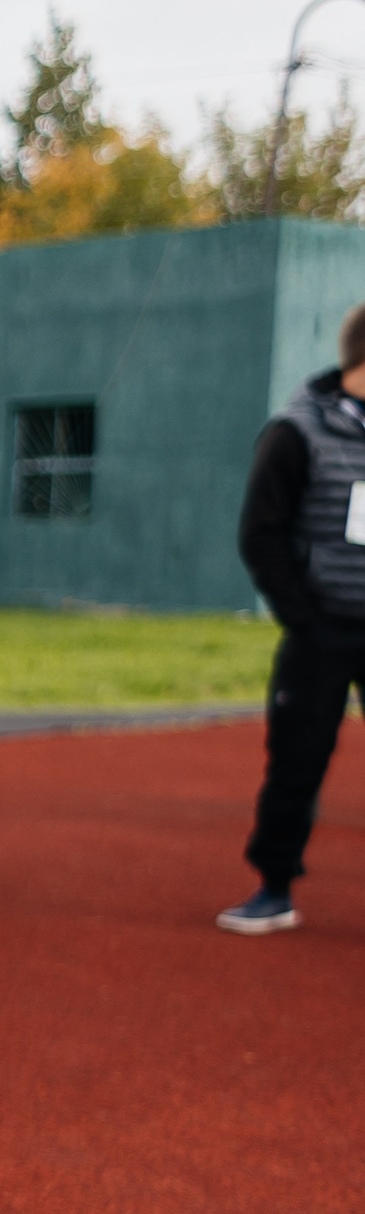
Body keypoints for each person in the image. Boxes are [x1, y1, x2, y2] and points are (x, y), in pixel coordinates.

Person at [221, 303, 365, 933]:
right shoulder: (297, 431)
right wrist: (304, 617)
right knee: (297, 758)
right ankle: (274, 888)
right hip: (323, 628)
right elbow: (260, 533)